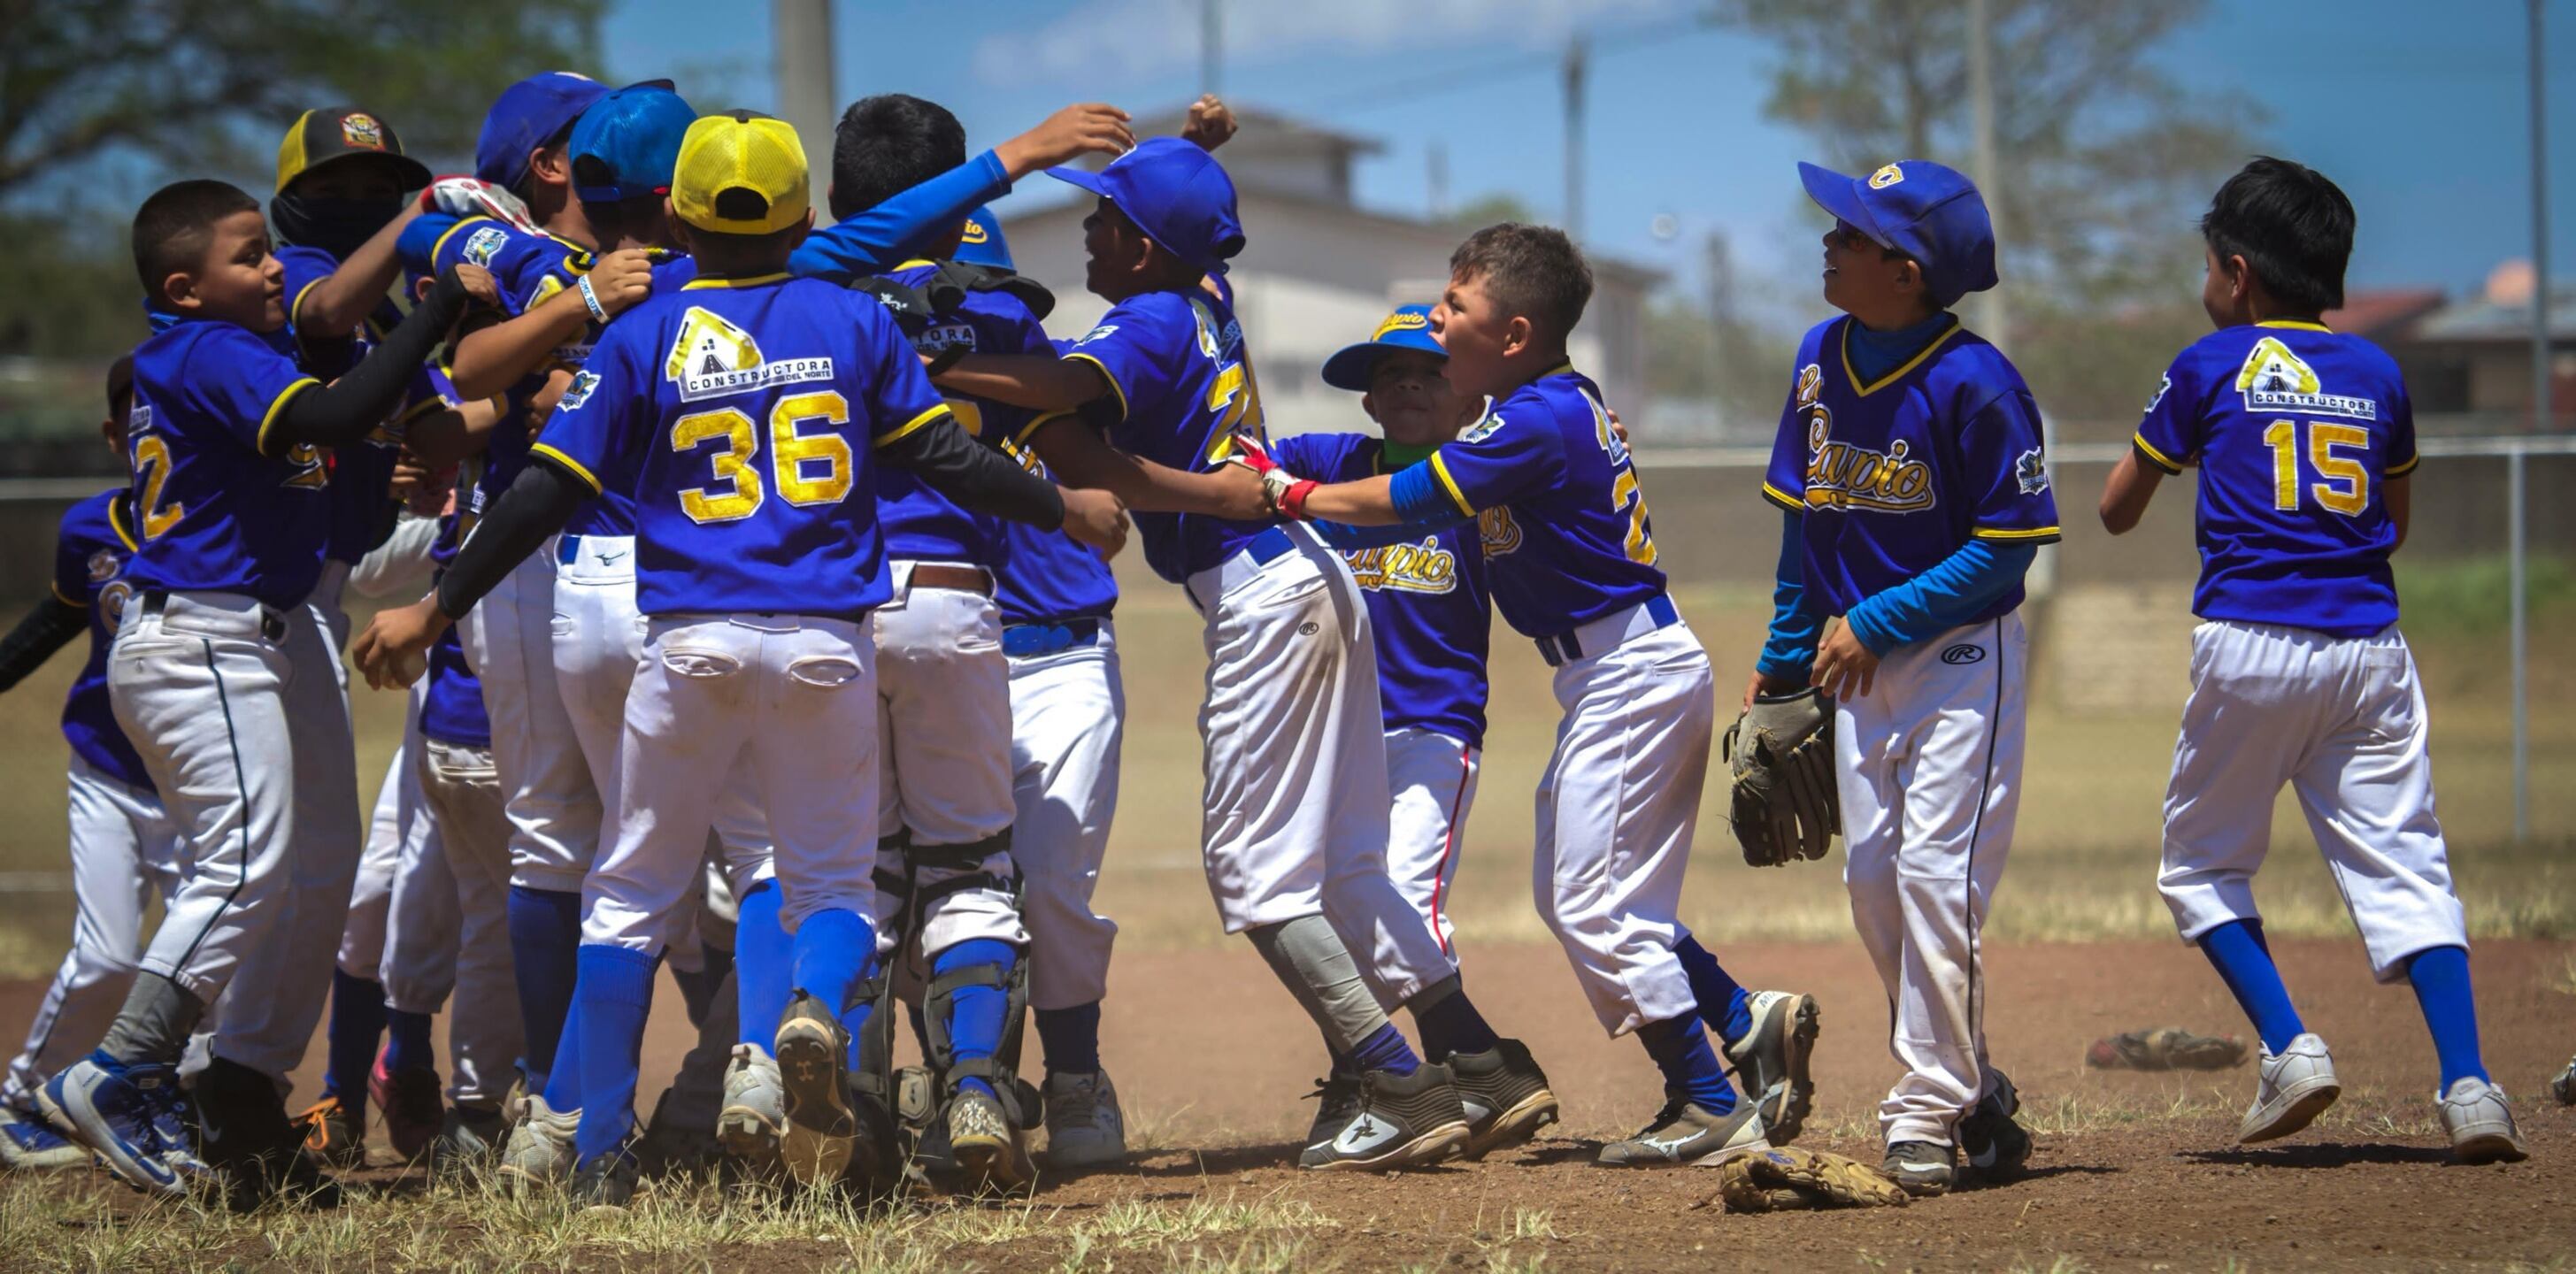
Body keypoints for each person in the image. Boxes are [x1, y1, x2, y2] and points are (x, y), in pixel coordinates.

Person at [351, 109, 1111, 1209]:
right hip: (821, 647)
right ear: (805, 216)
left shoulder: (642, 326)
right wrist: (1061, 505)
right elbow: (944, 456)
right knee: (833, 883)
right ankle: (797, 1016)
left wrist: (435, 603)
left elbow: (545, 490)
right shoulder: (851, 320)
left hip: (688, 644)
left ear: (681, 220)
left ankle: (589, 1144)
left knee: (628, 890)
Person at [933, 137, 1532, 1172]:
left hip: (1264, 594)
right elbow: (1084, 432)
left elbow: (1064, 389)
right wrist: (1191, 154)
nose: (1089, 230)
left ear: (1148, 244)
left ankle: (1393, 1079)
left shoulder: (1155, 312)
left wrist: (929, 367)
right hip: (1309, 581)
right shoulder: (1202, 298)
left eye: (1108, 219)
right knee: (1344, 862)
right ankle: (1475, 1061)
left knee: (1252, 875)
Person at [1258, 225, 1810, 1170]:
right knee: (1591, 895)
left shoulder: (1533, 419)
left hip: (1628, 670)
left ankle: (1709, 1099)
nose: (1438, 319)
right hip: (1607, 672)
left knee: (1592, 899)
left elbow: (1415, 499)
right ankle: (1738, 1019)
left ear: (1511, 336)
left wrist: (1293, 496)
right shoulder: (1539, 406)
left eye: (1453, 307)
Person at [42, 177, 490, 1210]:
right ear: (184, 289)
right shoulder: (205, 351)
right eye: (249, 256)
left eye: (267, 250)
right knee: (245, 862)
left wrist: (389, 455)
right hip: (202, 633)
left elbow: (343, 528)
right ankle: (117, 1071)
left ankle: (236, 1086)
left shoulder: (258, 355)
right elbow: (336, 406)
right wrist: (433, 307)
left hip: (272, 638)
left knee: (318, 872)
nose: (274, 265)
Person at [2098, 156, 2526, 1165]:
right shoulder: (2378, 373)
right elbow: (2391, 522)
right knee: (2405, 867)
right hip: (2370, 648)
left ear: (2236, 273)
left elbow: (2115, 511)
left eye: (2208, 266)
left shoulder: (2209, 362)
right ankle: (2470, 1086)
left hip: (2251, 642)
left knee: (2201, 865)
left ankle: (2291, 1046)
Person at [1744, 161, 2049, 1194]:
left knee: (1935, 880)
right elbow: (1807, 527)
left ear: (1908, 271)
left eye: (1853, 233)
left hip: (1961, 658)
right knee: (1874, 887)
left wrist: (1875, 620)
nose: (1829, 241)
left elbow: (2008, 550)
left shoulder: (1979, 384)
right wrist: (1782, 664)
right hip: (1848, 662)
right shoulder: (1821, 358)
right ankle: (1973, 1090)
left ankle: (1921, 1108)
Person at [1265, 306, 1562, 1157]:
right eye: (1385, 376)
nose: (1403, 386)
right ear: (1365, 402)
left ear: (1464, 392)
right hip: (1334, 737)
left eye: (1428, 372)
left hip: (1433, 730)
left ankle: (1414, 1076)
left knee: (1396, 893)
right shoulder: (1330, 463)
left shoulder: (1482, 475)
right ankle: (1464, 1070)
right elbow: (1242, 457)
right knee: (1341, 909)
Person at [0, 357, 184, 1173]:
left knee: (199, 959)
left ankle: (171, 1100)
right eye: (135, 420)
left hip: (195, 782)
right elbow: (57, 618)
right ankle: (19, 1103)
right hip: (108, 772)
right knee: (109, 953)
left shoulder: (217, 525)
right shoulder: (89, 528)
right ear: (117, 436)